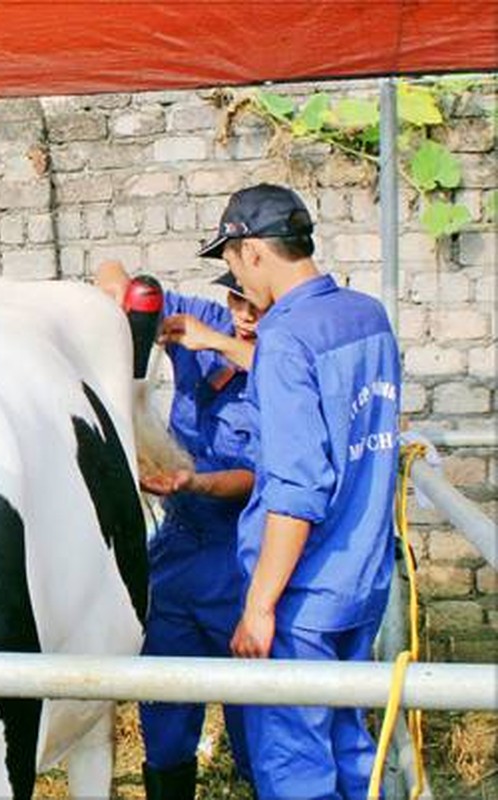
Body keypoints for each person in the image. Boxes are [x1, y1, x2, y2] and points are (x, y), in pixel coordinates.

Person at [202, 184, 401, 799]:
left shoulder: (285, 340)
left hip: (302, 593)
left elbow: (296, 487)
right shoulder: (366, 315)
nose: (236, 278)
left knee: (295, 769)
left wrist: (259, 605)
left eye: (232, 262)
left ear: (253, 251)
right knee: (350, 740)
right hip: (365, 579)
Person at [95, 260, 260, 800]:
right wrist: (130, 309)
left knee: (254, 707)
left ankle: (255, 781)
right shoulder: (206, 318)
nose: (243, 316)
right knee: (163, 695)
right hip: (176, 549)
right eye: (236, 302)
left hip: (238, 557)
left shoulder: (284, 365)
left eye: (255, 307)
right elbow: (115, 276)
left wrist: (194, 483)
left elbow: (256, 476)